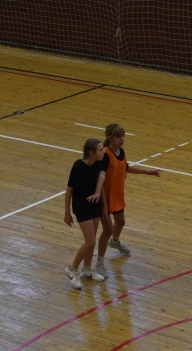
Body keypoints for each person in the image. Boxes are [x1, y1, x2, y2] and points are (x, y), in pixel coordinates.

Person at [95, 122, 161, 274]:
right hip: (104, 197)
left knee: (121, 222)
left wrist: (148, 172)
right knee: (107, 230)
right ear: (110, 138)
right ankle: (99, 264)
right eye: (118, 136)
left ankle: (115, 242)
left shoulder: (121, 152)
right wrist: (102, 202)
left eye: (123, 136)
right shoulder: (105, 155)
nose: (122, 139)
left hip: (117, 194)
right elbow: (100, 178)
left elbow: (126, 168)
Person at [65, 137, 108, 290]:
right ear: (91, 153)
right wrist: (67, 212)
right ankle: (72, 269)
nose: (103, 152)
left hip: (94, 205)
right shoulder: (78, 167)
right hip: (81, 206)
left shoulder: (98, 163)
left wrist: (104, 206)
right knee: (90, 241)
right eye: (100, 150)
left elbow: (101, 186)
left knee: (92, 239)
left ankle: (87, 270)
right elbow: (69, 190)